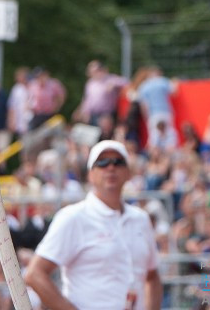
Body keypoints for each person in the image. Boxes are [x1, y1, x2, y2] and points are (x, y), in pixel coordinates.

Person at [25, 139, 162, 310]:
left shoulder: (141, 219)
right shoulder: (73, 217)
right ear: (90, 174)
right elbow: (34, 274)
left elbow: (153, 275)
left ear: (128, 172)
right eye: (102, 163)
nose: (110, 167)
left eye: (118, 162)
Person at [73, 60, 127, 129]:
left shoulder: (110, 79)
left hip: (106, 115)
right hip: (93, 115)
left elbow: (125, 82)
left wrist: (114, 85)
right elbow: (87, 100)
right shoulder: (90, 83)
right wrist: (84, 112)